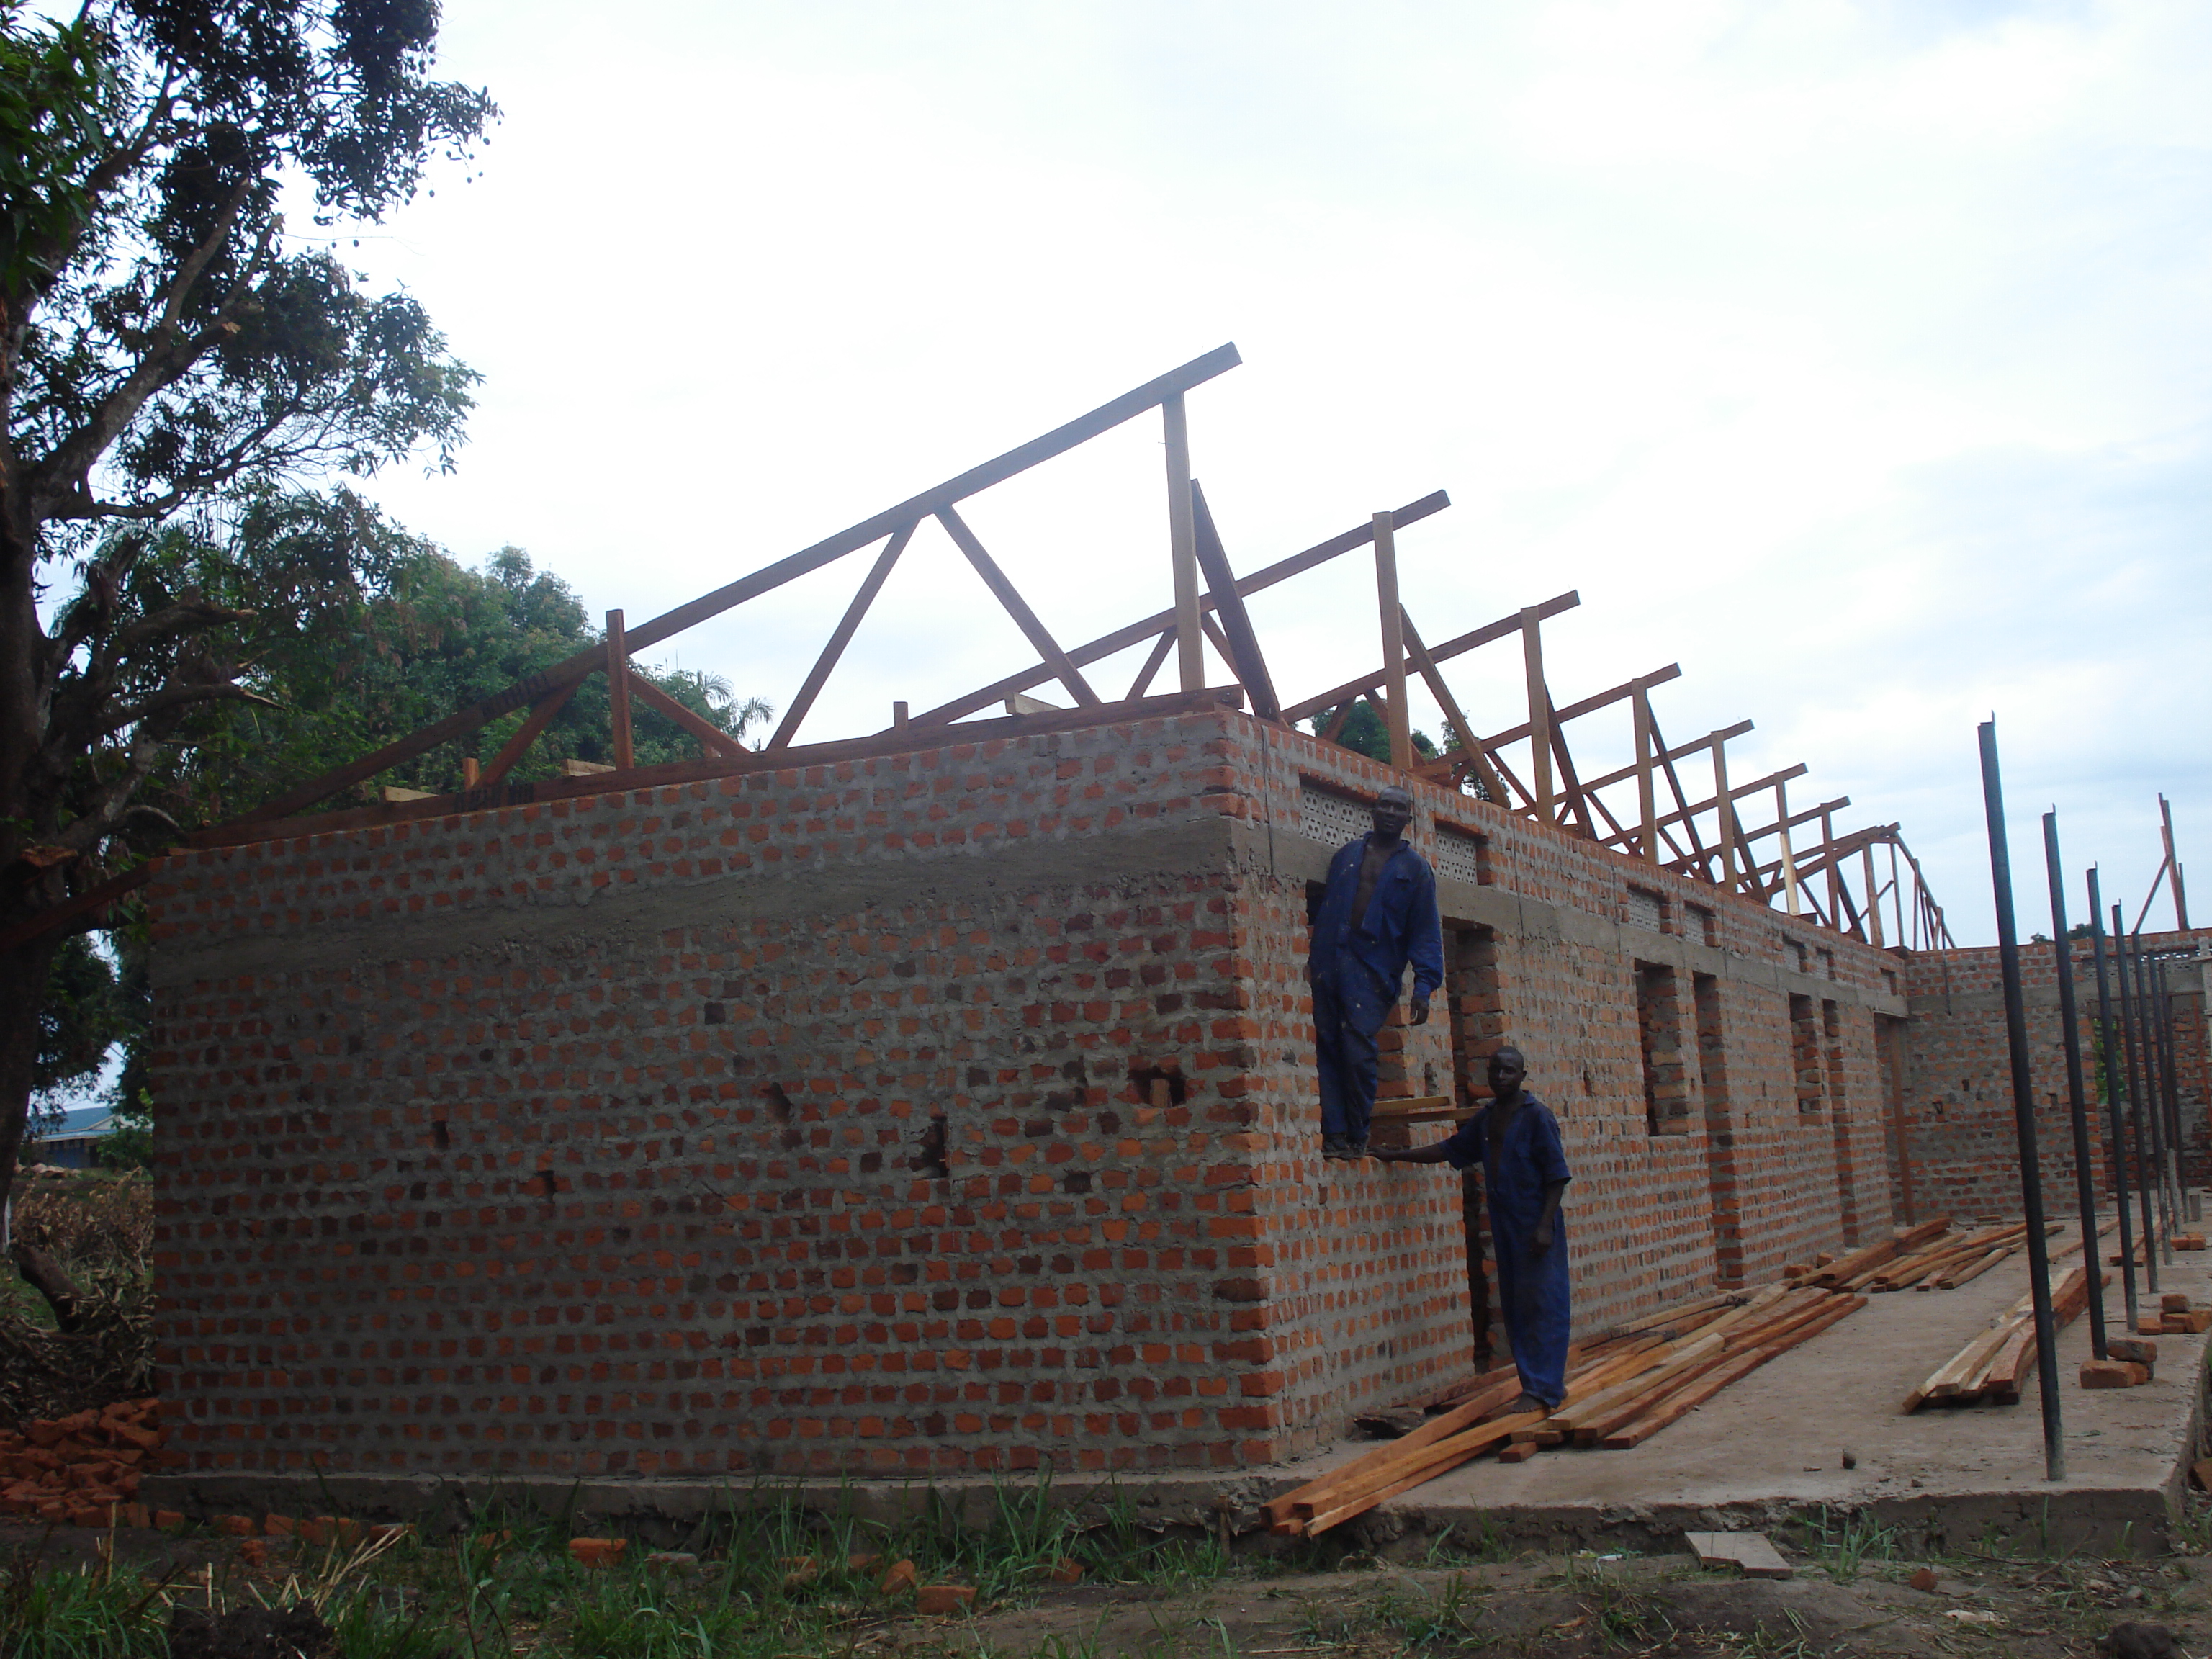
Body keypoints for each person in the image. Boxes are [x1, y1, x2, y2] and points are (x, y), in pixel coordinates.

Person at [1375, 1046, 1571, 1414]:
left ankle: (1545, 1389)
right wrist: (1395, 1155)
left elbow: (1557, 1175)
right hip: (1505, 1223)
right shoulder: (1488, 1119)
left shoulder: (1537, 1118)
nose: (1501, 1077)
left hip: (1534, 1223)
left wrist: (1545, 1225)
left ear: (1522, 1076)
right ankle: (1537, 1385)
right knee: (1515, 1305)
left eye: (1509, 1071)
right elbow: (1448, 1150)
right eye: (1495, 1070)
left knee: (1544, 1303)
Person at [1306, 783, 1444, 1159]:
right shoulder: (1348, 856)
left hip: (1373, 971)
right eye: (1385, 806)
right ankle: (1334, 1134)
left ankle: (1357, 1134)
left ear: (1408, 818)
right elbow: (1322, 906)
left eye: (1398, 809)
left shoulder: (1415, 870)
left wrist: (1424, 987)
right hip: (1330, 963)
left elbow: (1425, 931)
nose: (1390, 813)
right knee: (1328, 1045)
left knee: (1358, 1052)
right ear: (1373, 810)